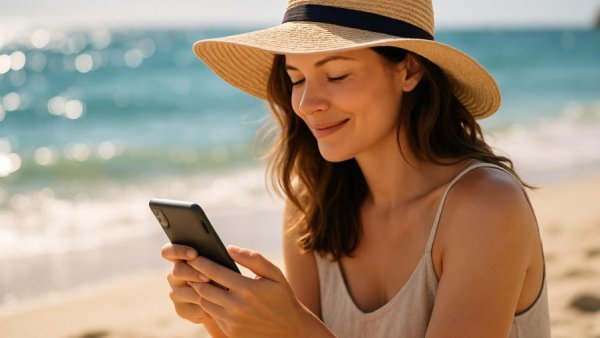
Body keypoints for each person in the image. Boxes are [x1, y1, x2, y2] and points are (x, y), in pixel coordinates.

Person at [160, 1, 551, 337]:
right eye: (296, 78)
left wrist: (295, 328)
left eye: (336, 75)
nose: (306, 103)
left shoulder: (485, 207)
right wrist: (223, 318)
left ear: (410, 70)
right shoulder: (313, 206)